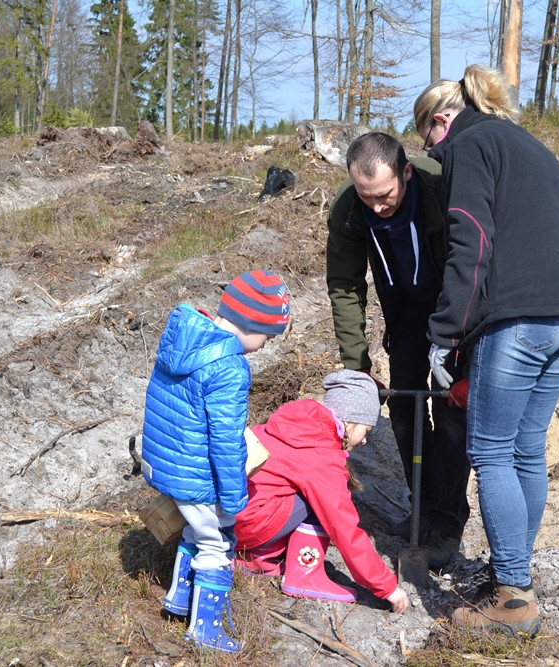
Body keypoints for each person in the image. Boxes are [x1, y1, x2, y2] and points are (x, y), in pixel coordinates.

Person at [413, 65, 559, 637]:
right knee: (525, 451)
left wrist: (444, 336)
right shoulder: (531, 145)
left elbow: (469, 238)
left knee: (490, 451)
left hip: (519, 320)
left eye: (427, 140)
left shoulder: (471, 145)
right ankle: (514, 574)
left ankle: (513, 599)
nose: (430, 154)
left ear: (443, 120)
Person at [325, 131, 470, 570]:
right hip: (405, 312)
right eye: (366, 196)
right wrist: (358, 367)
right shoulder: (350, 210)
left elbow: (478, 261)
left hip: (456, 308)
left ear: (405, 171)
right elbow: (345, 286)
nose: (376, 206)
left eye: (385, 195)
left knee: (449, 414)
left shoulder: (442, 187)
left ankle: (447, 521)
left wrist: (469, 341)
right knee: (404, 412)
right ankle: (421, 510)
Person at [141, 269, 290, 654]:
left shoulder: (185, 339)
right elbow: (225, 442)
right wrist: (234, 495)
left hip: (168, 463)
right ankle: (205, 631)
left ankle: (177, 599)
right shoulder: (229, 367)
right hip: (198, 474)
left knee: (196, 532)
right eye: (267, 336)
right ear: (251, 322)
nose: (265, 345)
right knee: (218, 542)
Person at [231, 369, 410, 613]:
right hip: (249, 525)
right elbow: (344, 528)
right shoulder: (322, 456)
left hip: (229, 518)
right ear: (350, 420)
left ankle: (256, 557)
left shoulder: (293, 424)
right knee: (322, 503)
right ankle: (304, 576)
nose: (365, 440)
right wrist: (387, 587)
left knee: (293, 493)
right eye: (366, 431)